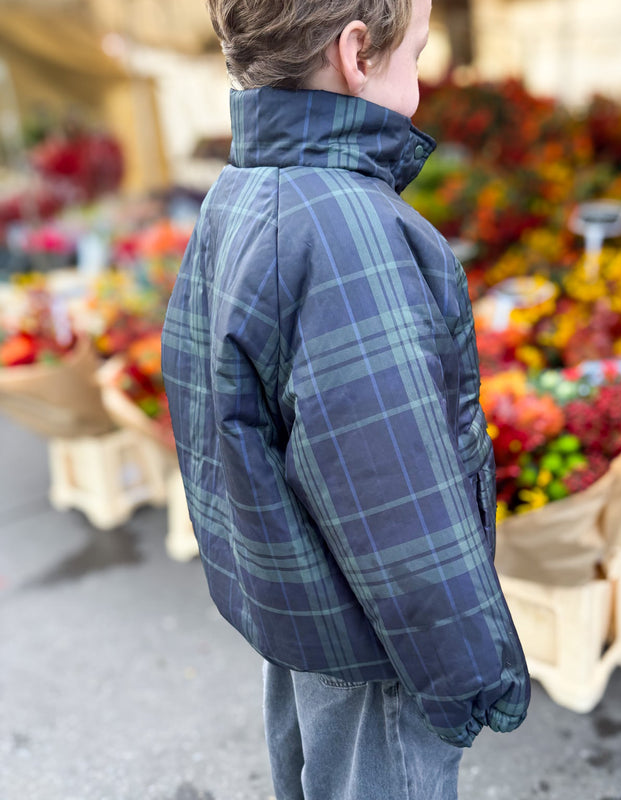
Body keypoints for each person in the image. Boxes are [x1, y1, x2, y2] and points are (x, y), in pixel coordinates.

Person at [161, 0, 531, 797]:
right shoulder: (343, 230)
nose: (421, 91)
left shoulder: (245, 186)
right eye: (418, 59)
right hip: (379, 642)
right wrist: (470, 671)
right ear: (356, 52)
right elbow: (396, 506)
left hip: (305, 606)